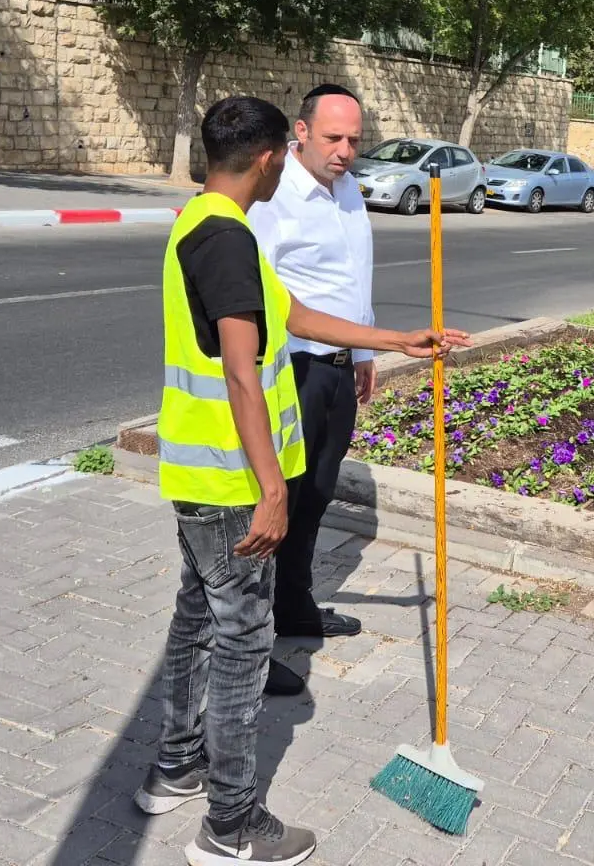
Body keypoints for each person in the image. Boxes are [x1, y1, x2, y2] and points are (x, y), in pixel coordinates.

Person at [133, 96, 469, 866]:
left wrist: (397, 340)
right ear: (267, 158)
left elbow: (296, 317)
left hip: (201, 474)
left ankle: (176, 767)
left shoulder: (205, 222)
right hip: (230, 485)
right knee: (244, 644)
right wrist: (274, 490)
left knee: (195, 621)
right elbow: (245, 377)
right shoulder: (224, 240)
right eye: (284, 151)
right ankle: (231, 825)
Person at [248, 84, 375, 698]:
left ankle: (295, 606)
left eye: (354, 139)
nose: (345, 150)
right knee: (282, 503)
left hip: (338, 370)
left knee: (320, 495)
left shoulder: (349, 191)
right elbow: (268, 302)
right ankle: (257, 637)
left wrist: (366, 352)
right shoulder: (274, 200)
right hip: (293, 371)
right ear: (300, 132)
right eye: (333, 138)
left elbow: (356, 276)